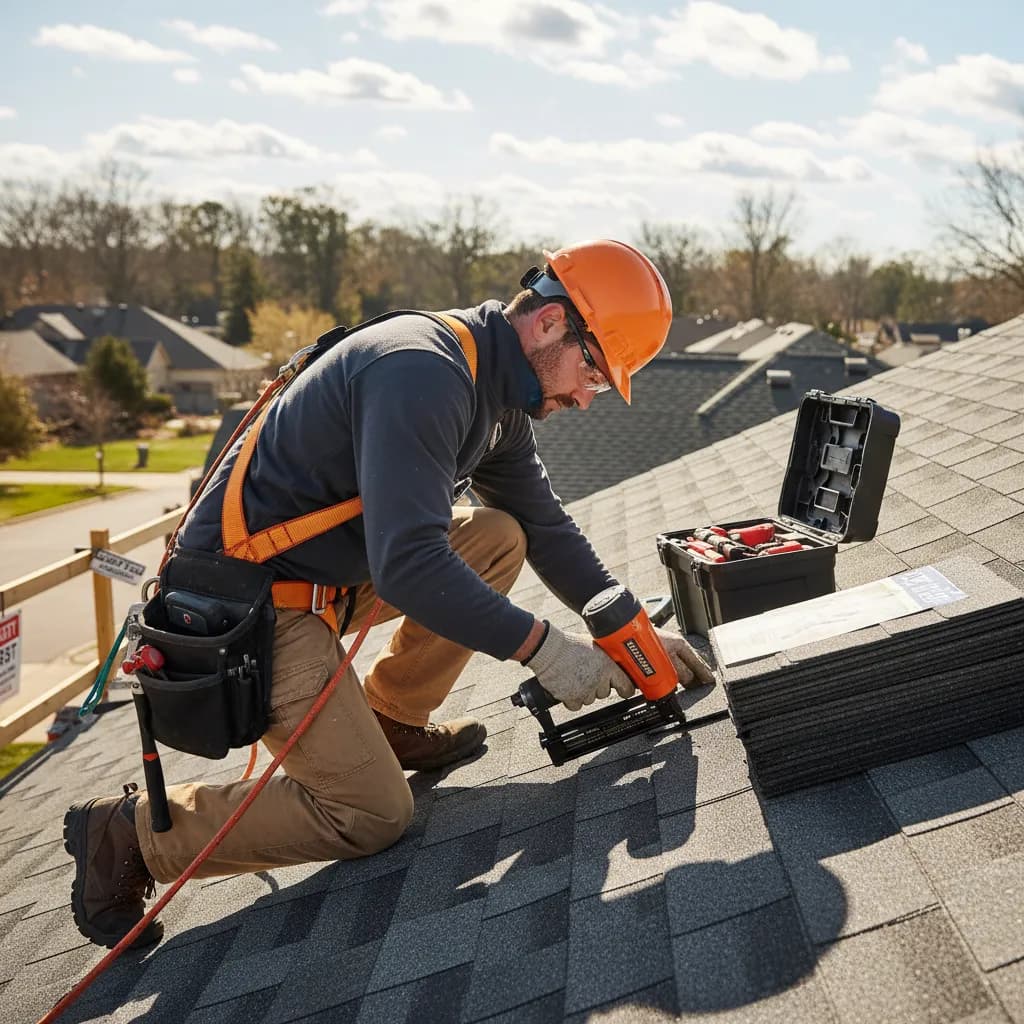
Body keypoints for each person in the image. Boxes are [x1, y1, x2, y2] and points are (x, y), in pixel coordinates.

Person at [63, 239, 715, 950]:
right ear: (552, 323)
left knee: (497, 533)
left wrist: (633, 636)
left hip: (323, 579)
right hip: (247, 604)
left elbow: (547, 530)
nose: (588, 396)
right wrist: (547, 651)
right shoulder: (423, 371)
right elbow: (408, 566)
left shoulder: (496, 397)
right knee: (371, 815)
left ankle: (389, 716)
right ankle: (131, 834)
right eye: (593, 369)